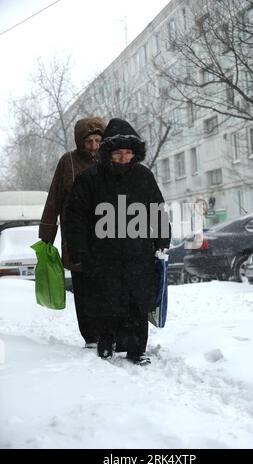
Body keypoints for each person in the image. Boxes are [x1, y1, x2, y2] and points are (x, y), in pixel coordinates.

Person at [65, 118, 171, 365]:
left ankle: (137, 351)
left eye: (128, 153)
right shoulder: (90, 178)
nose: (124, 158)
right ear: (108, 154)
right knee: (106, 301)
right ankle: (106, 343)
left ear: (135, 154)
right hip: (102, 253)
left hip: (138, 252)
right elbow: (76, 215)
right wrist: (79, 249)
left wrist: (161, 238)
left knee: (137, 302)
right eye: (118, 153)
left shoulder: (143, 176)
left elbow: (157, 209)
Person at [39, 117, 106, 348]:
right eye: (89, 141)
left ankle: (108, 332)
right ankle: (90, 336)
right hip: (76, 237)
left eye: (98, 140)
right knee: (84, 287)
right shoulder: (68, 162)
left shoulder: (109, 161)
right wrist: (47, 234)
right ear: (80, 141)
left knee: (106, 287)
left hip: (105, 236)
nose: (94, 146)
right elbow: (54, 199)